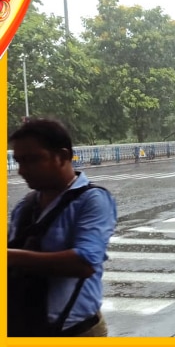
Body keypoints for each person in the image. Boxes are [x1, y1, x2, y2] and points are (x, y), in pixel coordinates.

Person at [7, 119, 117, 336]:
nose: (22, 170)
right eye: (19, 161)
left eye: (32, 160)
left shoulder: (92, 200)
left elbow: (84, 263)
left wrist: (10, 257)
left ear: (63, 156)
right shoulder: (26, 205)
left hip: (77, 332)